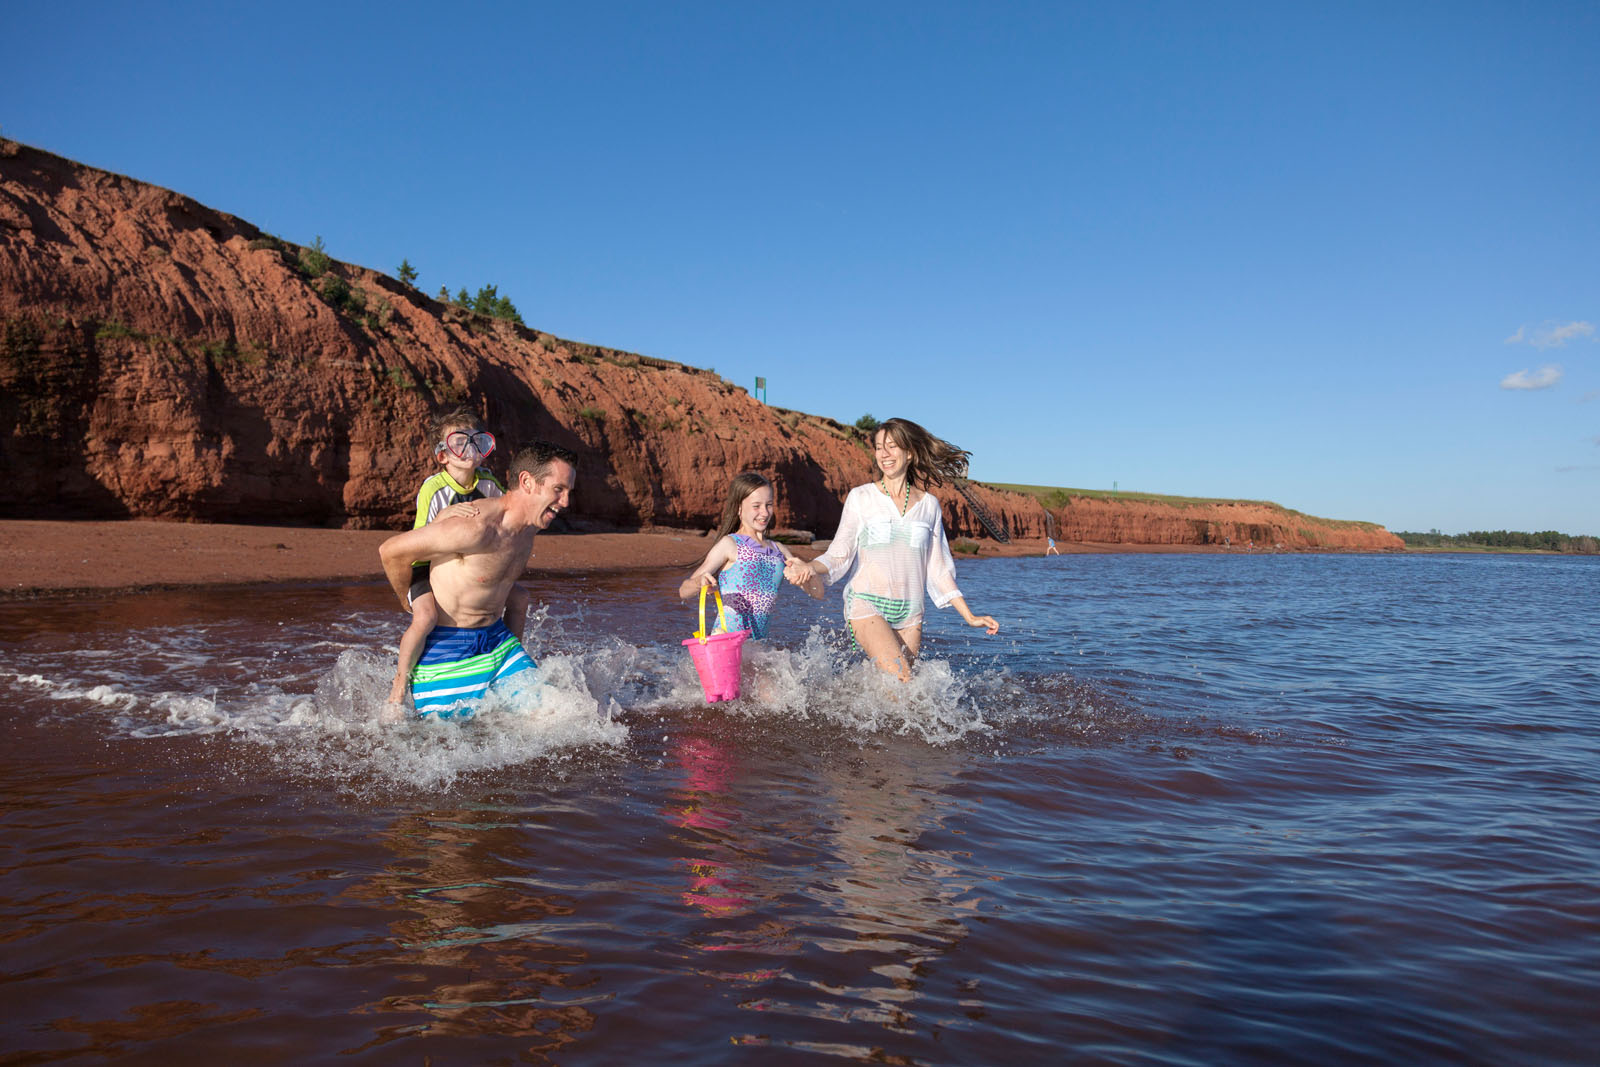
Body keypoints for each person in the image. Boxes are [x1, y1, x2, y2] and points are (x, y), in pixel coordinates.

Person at [785, 417, 999, 681]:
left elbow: (939, 570)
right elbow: (839, 554)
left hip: (911, 613)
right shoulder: (861, 497)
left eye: (892, 446)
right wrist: (809, 566)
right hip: (867, 603)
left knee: (896, 699)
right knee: (904, 680)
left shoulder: (929, 505)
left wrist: (970, 616)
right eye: (878, 447)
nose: (883, 454)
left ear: (909, 453)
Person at [378, 441, 577, 720]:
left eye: (568, 492)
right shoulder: (475, 527)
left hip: (498, 643)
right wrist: (406, 600)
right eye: (558, 490)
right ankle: (398, 690)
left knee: (563, 718)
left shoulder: (530, 526)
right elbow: (390, 552)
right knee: (441, 745)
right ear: (527, 482)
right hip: (447, 652)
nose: (566, 502)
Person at [384, 408, 532, 715]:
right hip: (425, 567)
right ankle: (398, 688)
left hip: (465, 568)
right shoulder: (434, 488)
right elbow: (418, 542)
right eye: (458, 443)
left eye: (476, 442)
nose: (469, 450)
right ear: (443, 456)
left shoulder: (489, 483)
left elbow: (507, 518)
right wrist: (441, 518)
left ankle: (506, 656)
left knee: (519, 596)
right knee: (425, 618)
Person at [678, 472, 822, 639]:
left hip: (758, 649)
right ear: (739, 508)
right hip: (726, 643)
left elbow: (818, 593)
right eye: (756, 506)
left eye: (768, 505)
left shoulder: (779, 551)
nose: (765, 513)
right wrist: (699, 582)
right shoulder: (730, 544)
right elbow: (683, 591)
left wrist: (807, 573)